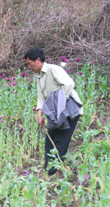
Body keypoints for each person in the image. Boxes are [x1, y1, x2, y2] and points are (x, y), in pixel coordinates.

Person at [24, 47, 83, 176]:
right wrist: (39, 115)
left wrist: (59, 103)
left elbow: (68, 84)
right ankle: (48, 173)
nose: (29, 67)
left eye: (30, 63)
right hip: (55, 114)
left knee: (61, 143)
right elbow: (41, 97)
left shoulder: (54, 69)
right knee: (50, 141)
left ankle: (56, 174)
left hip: (68, 111)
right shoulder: (39, 77)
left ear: (38, 60)